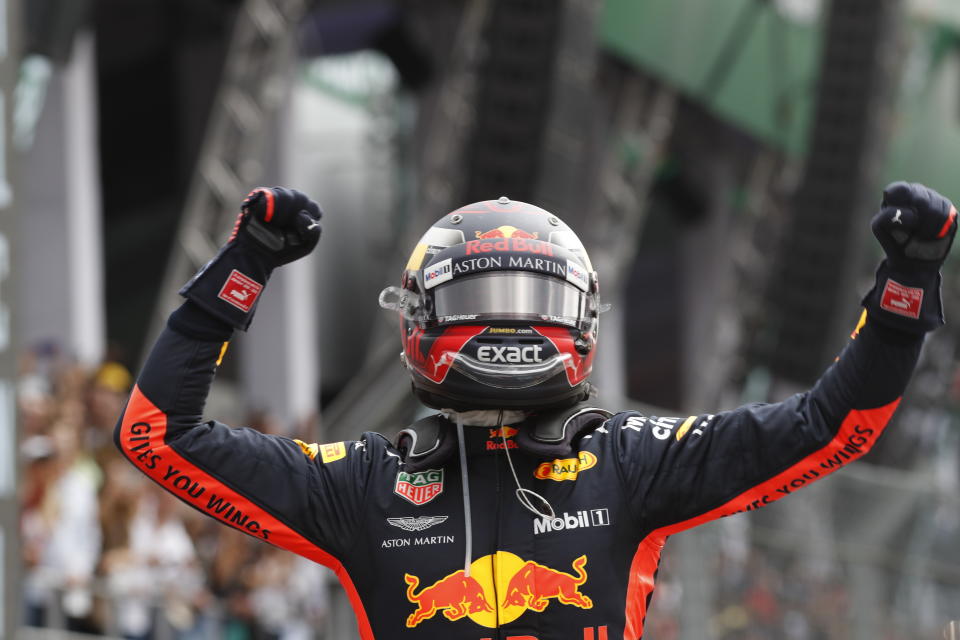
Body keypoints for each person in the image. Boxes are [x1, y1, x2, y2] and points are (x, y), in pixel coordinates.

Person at [116, 182, 956, 639]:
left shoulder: (633, 459)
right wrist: (241, 271)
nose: (511, 322)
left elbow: (832, 427)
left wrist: (904, 291)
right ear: (417, 319)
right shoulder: (362, 484)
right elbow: (157, 435)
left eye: (533, 296)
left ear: (585, 317)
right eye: (483, 294)